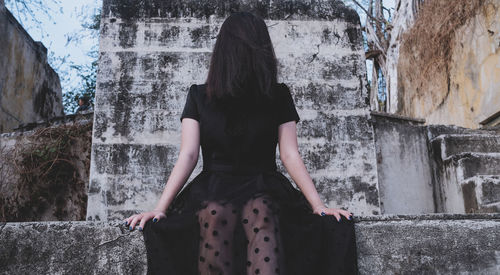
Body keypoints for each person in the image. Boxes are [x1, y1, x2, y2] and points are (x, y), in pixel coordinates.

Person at [124, 11, 358, 275]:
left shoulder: (277, 95)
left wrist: (319, 207)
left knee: (244, 211)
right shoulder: (199, 95)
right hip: (235, 189)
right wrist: (159, 209)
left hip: (247, 189)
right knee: (227, 212)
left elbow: (289, 154)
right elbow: (188, 155)